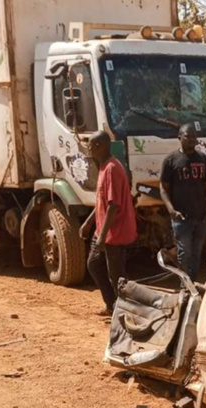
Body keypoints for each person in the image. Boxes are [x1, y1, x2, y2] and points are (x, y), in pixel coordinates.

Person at [81, 131, 137, 316]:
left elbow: (113, 205)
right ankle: (112, 305)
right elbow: (101, 203)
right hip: (104, 230)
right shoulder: (104, 167)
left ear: (100, 146)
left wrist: (102, 237)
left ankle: (127, 311)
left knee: (117, 276)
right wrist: (89, 224)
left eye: (90, 145)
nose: (88, 148)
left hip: (115, 232)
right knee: (94, 264)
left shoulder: (112, 168)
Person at [160, 124, 206, 281]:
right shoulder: (171, 160)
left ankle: (193, 283)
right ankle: (185, 286)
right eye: (187, 136)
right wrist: (171, 210)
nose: (191, 139)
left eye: (194, 136)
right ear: (179, 138)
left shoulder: (203, 159)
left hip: (201, 216)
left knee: (197, 253)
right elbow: (163, 189)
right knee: (184, 254)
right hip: (181, 218)